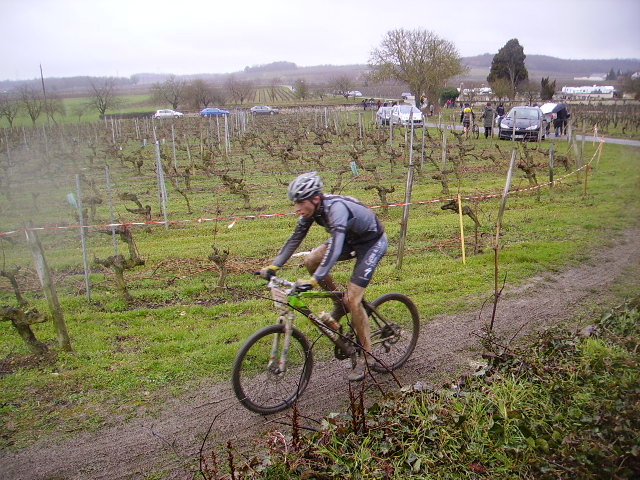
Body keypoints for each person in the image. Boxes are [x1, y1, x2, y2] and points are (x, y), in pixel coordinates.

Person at [259, 172, 388, 381]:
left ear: (315, 198)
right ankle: (339, 303)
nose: (296, 208)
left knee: (353, 300)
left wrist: (314, 280)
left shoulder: (335, 209)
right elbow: (295, 239)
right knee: (311, 259)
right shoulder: (311, 212)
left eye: (300, 203)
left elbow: (335, 247)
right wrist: (274, 265)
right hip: (349, 239)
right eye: (294, 203)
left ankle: (367, 356)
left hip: (371, 243)